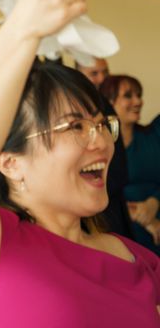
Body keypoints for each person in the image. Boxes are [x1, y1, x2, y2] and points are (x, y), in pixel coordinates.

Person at [0, 0, 160, 328]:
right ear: (9, 162)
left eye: (102, 124)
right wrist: (22, 31)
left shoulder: (134, 257)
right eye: (75, 126)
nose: (100, 140)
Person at [101, 74, 160, 253]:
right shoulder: (99, 146)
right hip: (119, 227)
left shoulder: (154, 135)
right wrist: (138, 216)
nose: (138, 101)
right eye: (128, 95)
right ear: (109, 102)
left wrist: (154, 202)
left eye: (139, 95)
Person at [75, 58, 133, 238]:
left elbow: (120, 168)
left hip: (112, 205)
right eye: (94, 73)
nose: (102, 79)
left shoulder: (107, 108)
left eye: (105, 72)